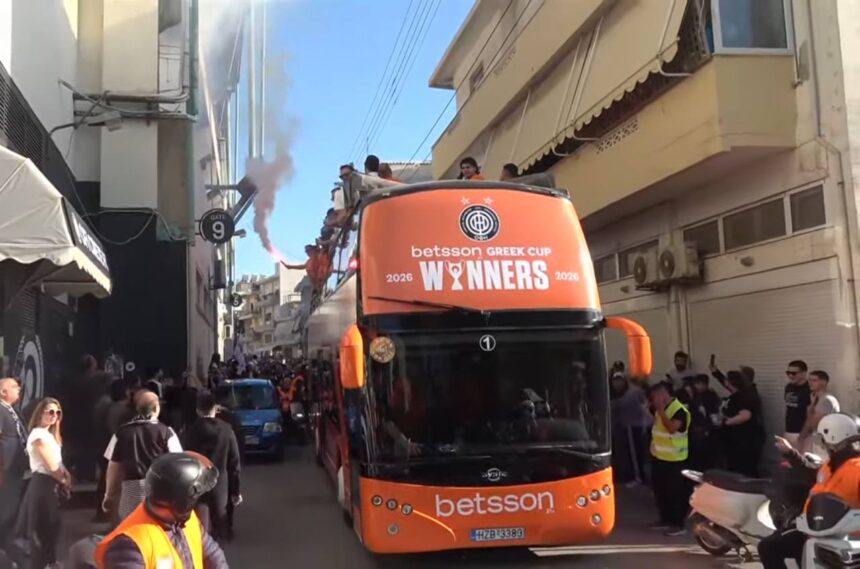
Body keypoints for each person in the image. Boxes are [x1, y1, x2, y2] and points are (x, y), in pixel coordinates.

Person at [758, 413, 860, 569]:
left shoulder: (856, 468)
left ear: (833, 438)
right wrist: (790, 453)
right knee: (769, 546)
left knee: (769, 547)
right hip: (815, 531)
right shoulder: (832, 465)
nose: (823, 445)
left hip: (845, 539)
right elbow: (810, 472)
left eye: (823, 440)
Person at [95, 452, 229, 569]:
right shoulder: (128, 547)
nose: (196, 502)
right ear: (182, 501)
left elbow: (212, 554)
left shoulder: (186, 520)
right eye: (195, 497)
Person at [103, 390, 183, 520]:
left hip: (130, 492)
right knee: (156, 528)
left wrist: (109, 496)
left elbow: (113, 467)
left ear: (137, 409)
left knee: (131, 528)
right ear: (156, 408)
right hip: (159, 492)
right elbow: (178, 465)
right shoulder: (166, 432)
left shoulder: (121, 433)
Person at [180, 391, 241, 542]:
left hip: (196, 485)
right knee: (220, 527)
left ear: (197, 410)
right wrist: (235, 490)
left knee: (199, 528)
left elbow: (182, 461)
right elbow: (234, 463)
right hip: (220, 487)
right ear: (215, 409)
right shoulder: (226, 430)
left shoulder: (189, 432)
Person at [17, 398, 71, 569]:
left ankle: (48, 563)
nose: (54, 415)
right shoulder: (38, 435)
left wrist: (65, 477)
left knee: (51, 528)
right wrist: (64, 480)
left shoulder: (50, 435)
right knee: (41, 531)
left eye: (58, 412)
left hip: (52, 484)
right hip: (43, 483)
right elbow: (51, 465)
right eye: (50, 412)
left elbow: (58, 462)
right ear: (40, 413)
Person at [649, 381, 691, 536]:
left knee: (675, 493)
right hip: (659, 457)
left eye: (655, 396)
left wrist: (660, 410)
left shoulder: (679, 410)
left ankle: (678, 524)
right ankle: (665, 519)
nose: (653, 400)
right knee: (661, 491)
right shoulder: (661, 410)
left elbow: (672, 428)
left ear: (663, 395)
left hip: (675, 459)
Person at [0, 378, 27, 544]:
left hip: (16, 466)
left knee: (13, 503)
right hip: (6, 467)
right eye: (14, 386)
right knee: (7, 504)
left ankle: (9, 539)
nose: (19, 389)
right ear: (3, 392)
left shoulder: (12, 409)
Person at [720, 371, 763, 477]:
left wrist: (727, 422)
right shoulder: (734, 395)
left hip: (744, 439)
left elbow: (745, 416)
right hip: (734, 439)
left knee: (744, 468)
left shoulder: (744, 396)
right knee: (734, 465)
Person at [799, 370, 840, 454]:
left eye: (814, 380)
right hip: (817, 439)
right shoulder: (814, 397)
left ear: (824, 383)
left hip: (825, 441)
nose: (810, 383)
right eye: (809, 380)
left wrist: (801, 437)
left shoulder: (826, 400)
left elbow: (813, 424)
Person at [688, 375, 722, 472]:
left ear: (704, 384)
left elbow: (711, 413)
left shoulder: (710, 397)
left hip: (705, 429)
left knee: (704, 456)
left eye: (698, 384)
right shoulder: (697, 395)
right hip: (698, 429)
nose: (696, 386)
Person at [783, 360, 810, 446]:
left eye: (794, 373)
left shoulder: (809, 389)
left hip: (803, 432)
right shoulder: (789, 387)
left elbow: (811, 412)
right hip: (789, 429)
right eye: (788, 373)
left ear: (804, 373)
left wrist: (804, 434)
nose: (790, 376)